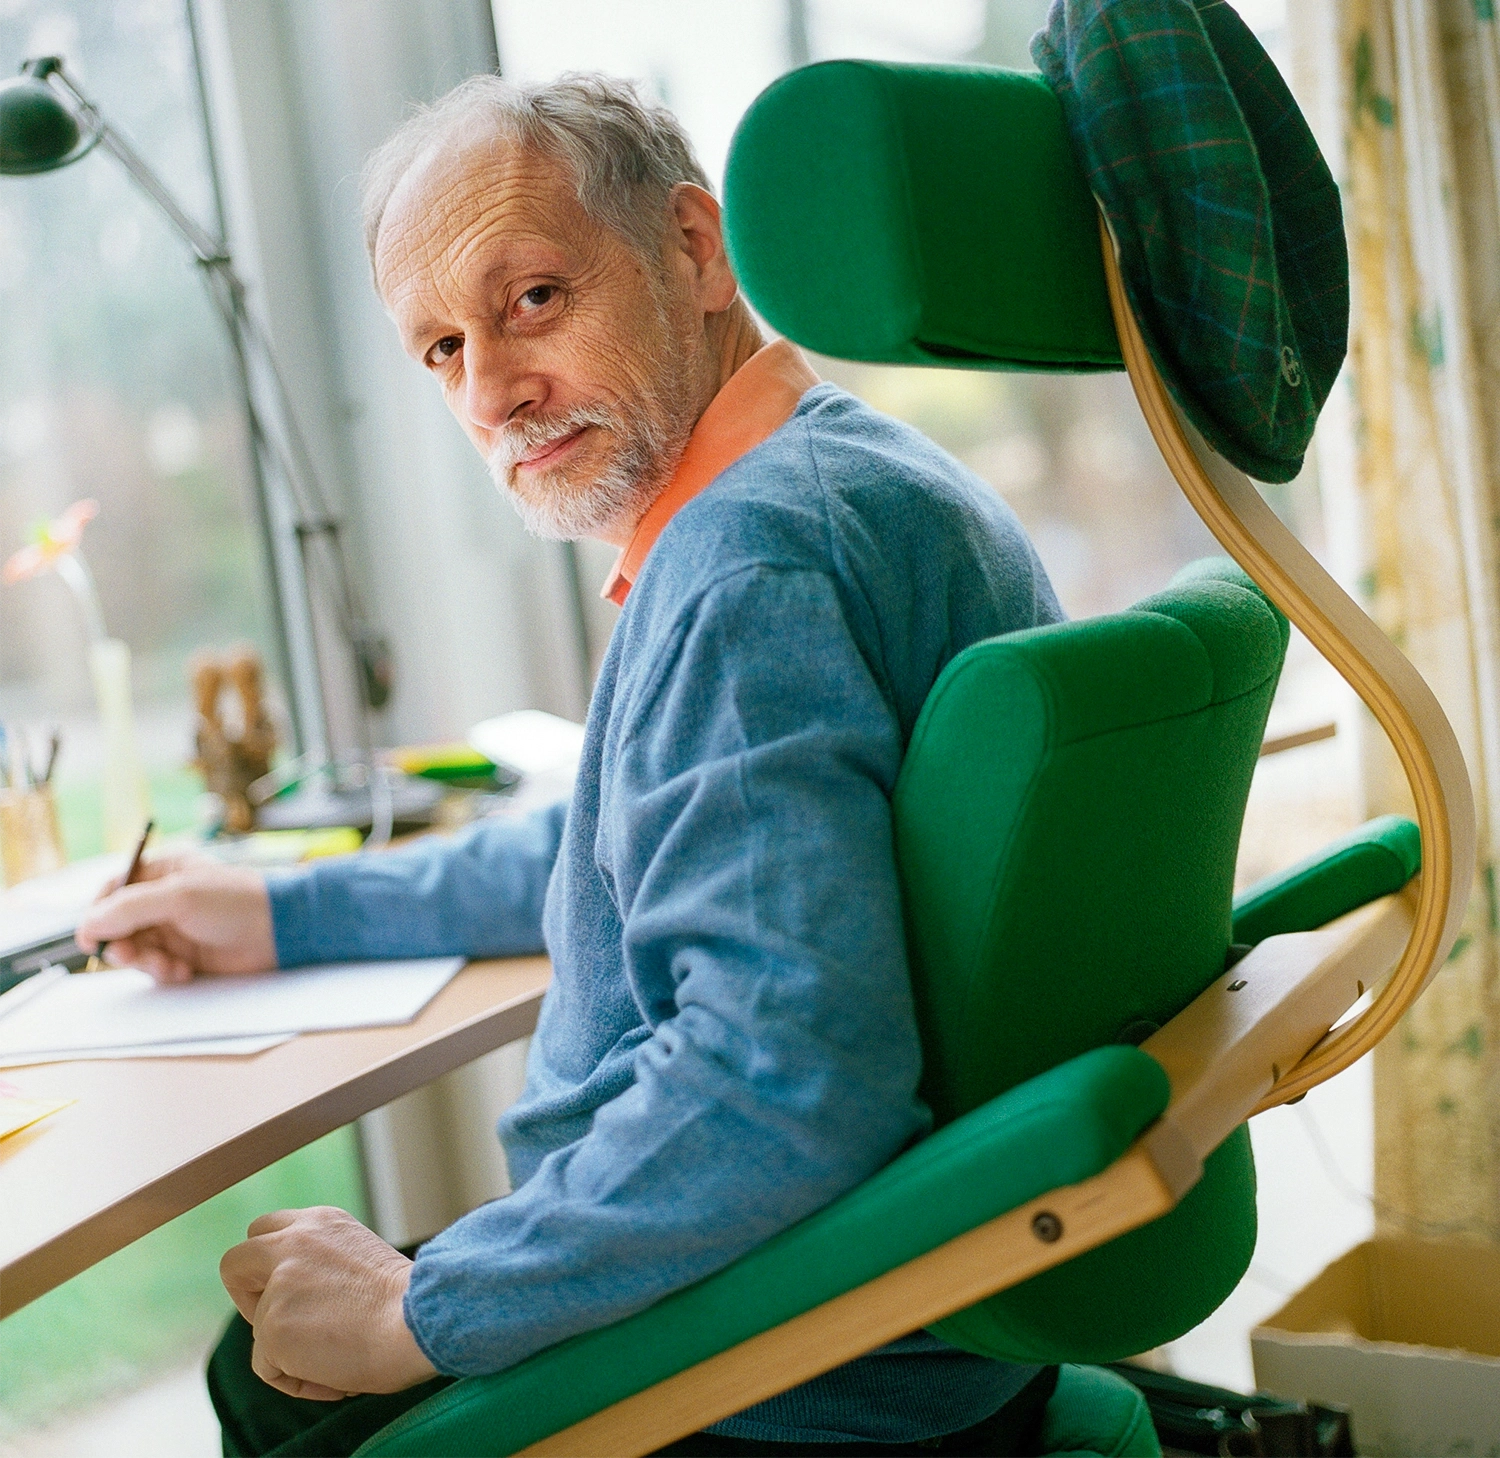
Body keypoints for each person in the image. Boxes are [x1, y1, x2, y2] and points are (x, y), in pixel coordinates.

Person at [78, 73, 1065, 1458]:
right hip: (911, 1318)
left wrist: (426, 1308)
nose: (490, 393)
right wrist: (287, 912)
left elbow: (784, 1076)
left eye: (531, 298)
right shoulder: (860, 479)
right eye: (438, 348)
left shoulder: (747, 562)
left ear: (694, 249)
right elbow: (638, 841)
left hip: (781, 1361)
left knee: (267, 1367)